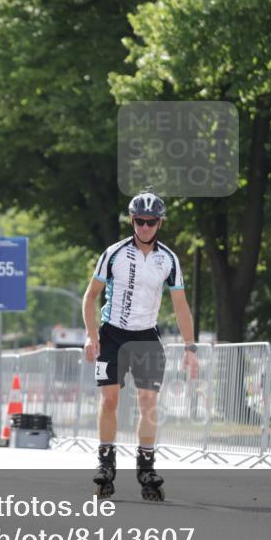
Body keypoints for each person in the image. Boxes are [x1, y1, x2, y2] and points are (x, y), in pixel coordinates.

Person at [82, 191, 200, 501]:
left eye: (150, 222)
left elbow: (181, 305)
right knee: (110, 400)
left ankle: (146, 466)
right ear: (132, 221)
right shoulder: (114, 253)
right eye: (139, 221)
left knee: (148, 402)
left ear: (160, 223)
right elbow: (91, 295)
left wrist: (190, 348)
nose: (144, 227)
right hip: (112, 334)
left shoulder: (169, 259)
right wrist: (91, 334)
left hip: (146, 336)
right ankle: (106, 464)